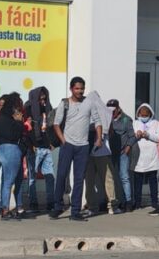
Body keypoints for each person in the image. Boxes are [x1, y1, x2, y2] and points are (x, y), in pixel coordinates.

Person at [53, 77, 104, 221]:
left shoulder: (89, 103)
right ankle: (57, 207)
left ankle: (75, 211)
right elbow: (56, 124)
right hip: (67, 145)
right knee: (62, 175)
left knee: (79, 179)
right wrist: (63, 140)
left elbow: (97, 121)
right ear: (71, 89)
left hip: (83, 146)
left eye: (82, 88)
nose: (80, 91)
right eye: (77, 88)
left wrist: (99, 138)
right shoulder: (65, 103)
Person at [0, 93, 26, 221]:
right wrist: (19, 122)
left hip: (1, 149)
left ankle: (14, 208)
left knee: (11, 180)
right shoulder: (11, 120)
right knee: (9, 182)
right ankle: (5, 210)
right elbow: (16, 134)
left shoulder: (0, 118)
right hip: (12, 149)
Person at [25, 87, 57, 215]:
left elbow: (53, 127)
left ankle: (50, 203)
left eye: (45, 97)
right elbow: (26, 129)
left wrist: (53, 143)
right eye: (41, 98)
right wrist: (30, 145)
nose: (43, 100)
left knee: (50, 176)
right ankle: (33, 203)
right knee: (32, 177)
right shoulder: (28, 108)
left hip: (46, 147)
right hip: (35, 147)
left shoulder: (48, 108)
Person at [105, 99, 135, 214]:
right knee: (109, 177)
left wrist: (128, 147)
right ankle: (111, 201)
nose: (112, 111)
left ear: (118, 108)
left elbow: (132, 136)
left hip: (122, 152)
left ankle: (128, 202)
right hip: (109, 152)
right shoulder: (106, 118)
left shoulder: (126, 119)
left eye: (113, 109)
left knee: (124, 177)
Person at [131, 103, 159, 210]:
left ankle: (154, 202)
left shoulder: (156, 124)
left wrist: (148, 135)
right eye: (142, 115)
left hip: (152, 157)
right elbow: (130, 137)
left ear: (150, 114)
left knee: (153, 181)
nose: (144, 117)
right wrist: (136, 135)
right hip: (138, 157)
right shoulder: (134, 123)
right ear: (138, 114)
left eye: (146, 115)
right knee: (137, 182)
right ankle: (137, 202)